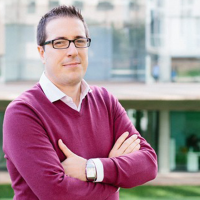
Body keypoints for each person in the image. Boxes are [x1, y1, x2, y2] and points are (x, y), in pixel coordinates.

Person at [3, 5, 157, 200]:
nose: (72, 51)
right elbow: (56, 193)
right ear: (42, 53)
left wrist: (89, 169)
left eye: (79, 40)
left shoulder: (106, 101)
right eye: (60, 42)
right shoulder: (23, 112)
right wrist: (115, 182)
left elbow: (148, 164)